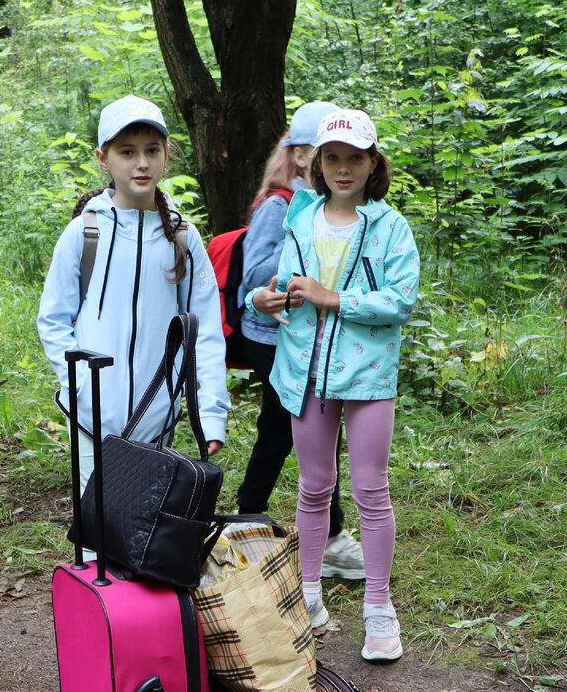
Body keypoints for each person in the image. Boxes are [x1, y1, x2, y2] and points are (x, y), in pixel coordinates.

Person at [247, 108, 419, 662]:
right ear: (317, 163)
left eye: (356, 157)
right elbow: (280, 286)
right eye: (333, 158)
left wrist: (333, 298)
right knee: (313, 488)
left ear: (373, 163)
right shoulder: (301, 219)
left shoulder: (389, 226)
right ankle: (311, 598)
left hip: (367, 378)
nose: (344, 168)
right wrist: (263, 300)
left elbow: (399, 302)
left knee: (371, 491)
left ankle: (378, 611)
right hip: (305, 373)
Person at [37, 95, 230, 496]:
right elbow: (53, 320)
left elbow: (206, 331)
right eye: (127, 152)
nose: (141, 163)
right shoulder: (84, 232)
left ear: (166, 155)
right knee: (96, 533)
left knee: (143, 534)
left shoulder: (182, 237)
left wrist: (209, 415)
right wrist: (78, 388)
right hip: (90, 417)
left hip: (158, 417)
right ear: (103, 158)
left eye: (151, 151)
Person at [235, 101, 366, 580]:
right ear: (297, 155)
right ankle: (255, 519)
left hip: (311, 336)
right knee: (281, 426)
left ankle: (309, 530)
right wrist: (303, 279)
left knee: (310, 429)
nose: (334, 165)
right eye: (321, 153)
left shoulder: (330, 208)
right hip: (273, 336)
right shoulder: (279, 206)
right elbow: (254, 278)